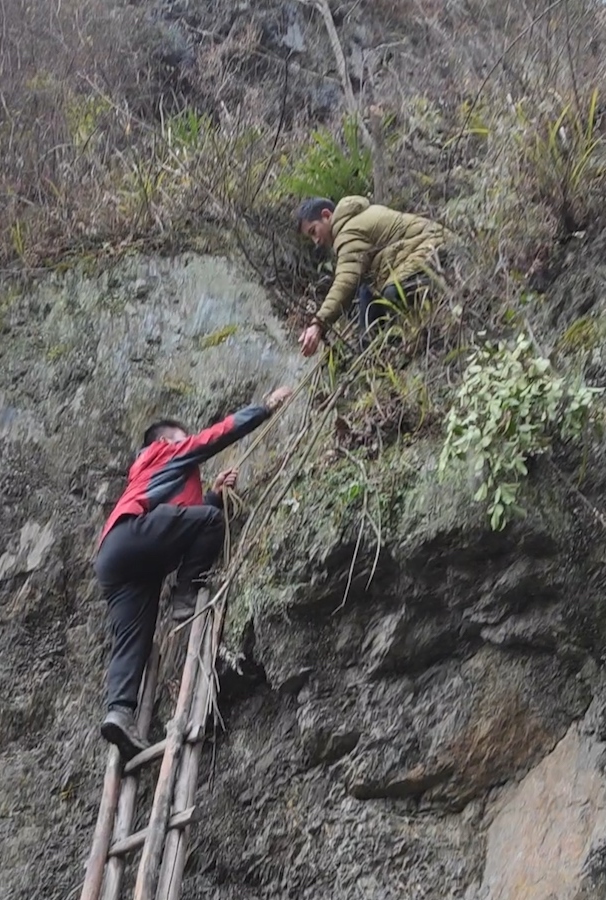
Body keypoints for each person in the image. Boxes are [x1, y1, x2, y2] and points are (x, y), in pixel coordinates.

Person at [95, 385, 293, 759]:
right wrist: (263, 408)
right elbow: (213, 438)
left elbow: (179, 514)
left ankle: (119, 713)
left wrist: (213, 495)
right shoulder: (166, 452)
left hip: (117, 555)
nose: (190, 447)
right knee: (211, 522)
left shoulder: (149, 477)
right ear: (168, 440)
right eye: (183, 439)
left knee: (132, 638)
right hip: (137, 535)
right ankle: (185, 595)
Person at [295, 195, 446, 354]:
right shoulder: (356, 218)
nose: (316, 241)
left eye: (314, 231)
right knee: (367, 293)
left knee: (392, 294)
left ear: (326, 215)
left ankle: (415, 342)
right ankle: (372, 351)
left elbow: (346, 281)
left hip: (435, 249)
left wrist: (318, 324)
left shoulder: (348, 231)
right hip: (432, 245)